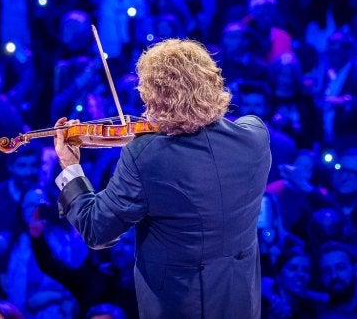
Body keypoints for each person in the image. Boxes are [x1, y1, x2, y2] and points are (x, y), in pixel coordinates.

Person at [52, 38, 272, 318]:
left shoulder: (145, 156)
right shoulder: (254, 136)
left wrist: (70, 166)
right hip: (240, 305)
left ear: (154, 96)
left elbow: (97, 230)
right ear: (213, 81)